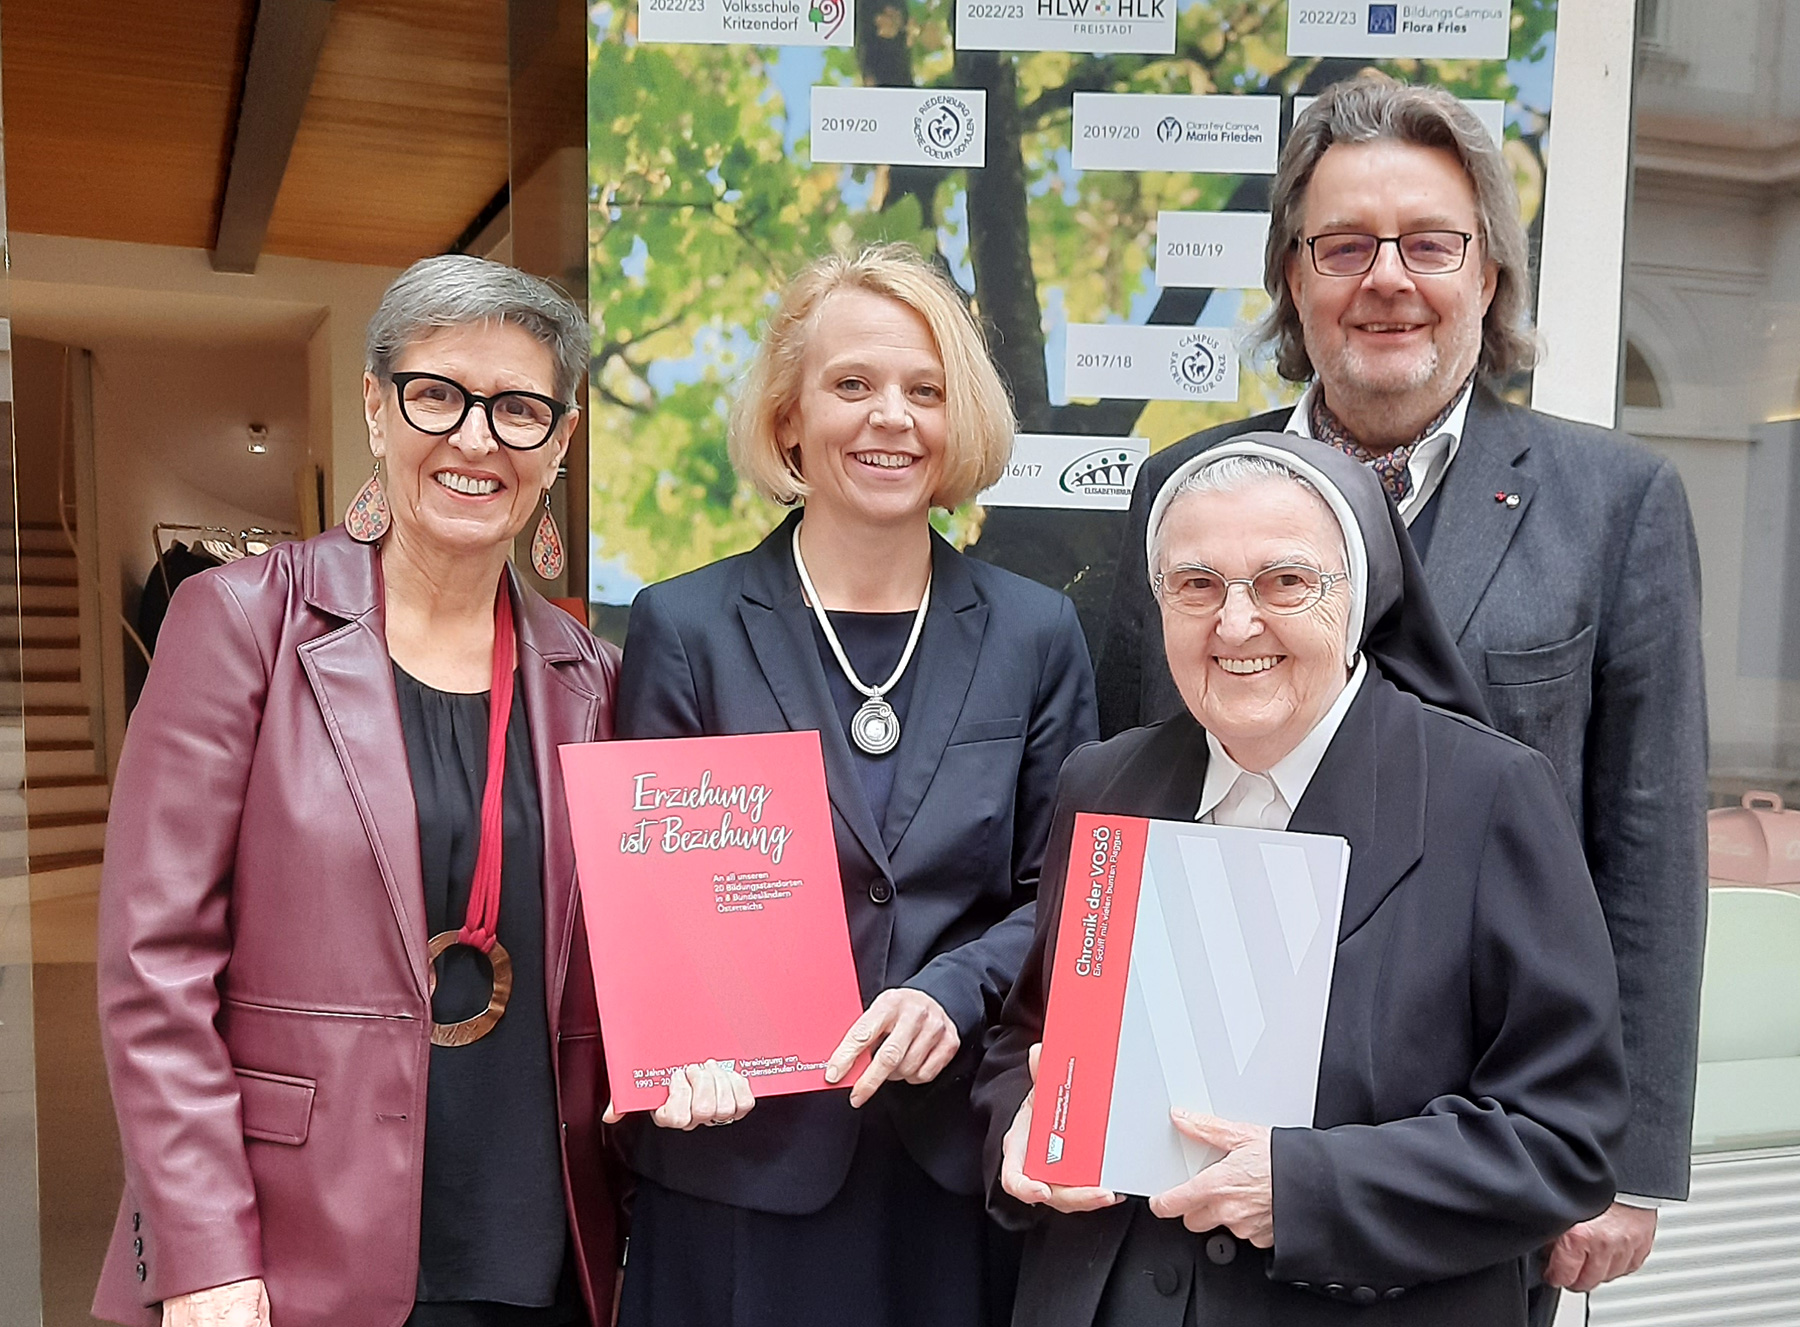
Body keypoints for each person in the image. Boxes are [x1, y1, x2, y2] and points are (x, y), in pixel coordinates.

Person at [1096, 74, 1707, 1316]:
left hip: (1463, 1157)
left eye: (1430, 243)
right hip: (1196, 1149)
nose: (1387, 277)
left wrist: (1628, 1164)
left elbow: (1646, 843)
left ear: (1487, 274)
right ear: (1293, 280)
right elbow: (1136, 791)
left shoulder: (1614, 504)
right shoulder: (1190, 490)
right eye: (1342, 246)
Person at [977, 433, 1630, 1326]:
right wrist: (1021, 1120)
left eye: (1286, 582)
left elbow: (1563, 1136)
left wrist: (1309, 1187)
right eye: (1197, 584)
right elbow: (1025, 1038)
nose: (1236, 624)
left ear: (1356, 597)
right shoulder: (1105, 783)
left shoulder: (1489, 797)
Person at [94, 255, 623, 1327]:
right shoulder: (244, 623)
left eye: (519, 409)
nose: (477, 440)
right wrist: (199, 1250)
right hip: (297, 1252)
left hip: (543, 1253)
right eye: (439, 395)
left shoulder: (591, 676)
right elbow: (156, 963)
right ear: (378, 407)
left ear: (559, 443)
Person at [612, 243, 1098, 1327]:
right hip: (740, 1169)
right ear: (789, 419)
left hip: (954, 1170)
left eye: (926, 390)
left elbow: (1064, 894)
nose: (893, 417)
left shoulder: (1037, 632)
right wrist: (685, 1044)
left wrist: (955, 987)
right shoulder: (682, 628)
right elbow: (660, 918)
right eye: (853, 385)